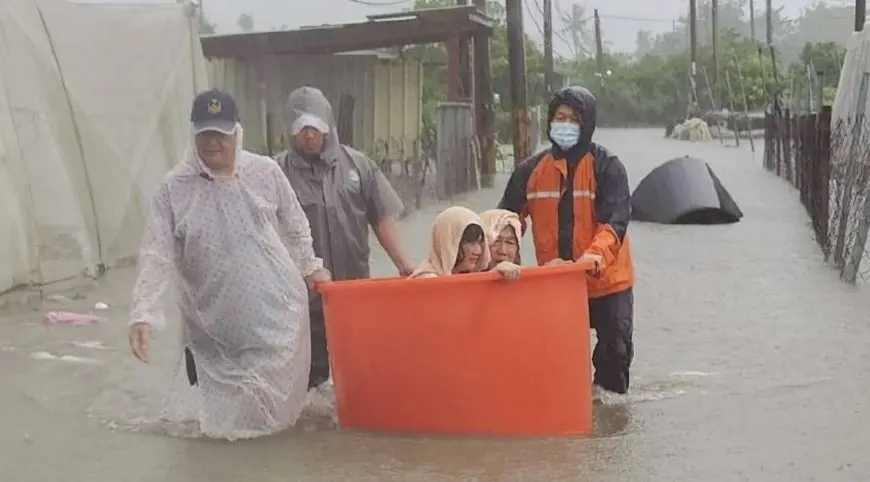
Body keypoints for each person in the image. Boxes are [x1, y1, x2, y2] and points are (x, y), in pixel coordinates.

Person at [127, 89, 331, 440]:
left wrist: (311, 266)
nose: (212, 143)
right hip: (212, 327)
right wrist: (143, 312)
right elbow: (157, 253)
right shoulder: (174, 189)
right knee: (222, 429)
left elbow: (295, 223)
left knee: (275, 425)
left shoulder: (264, 172)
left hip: (275, 320)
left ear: (236, 132)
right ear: (194, 135)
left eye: (220, 134)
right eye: (204, 134)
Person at [497, 86, 635, 395]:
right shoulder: (529, 171)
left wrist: (594, 257)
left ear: (587, 124)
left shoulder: (608, 167)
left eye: (574, 119)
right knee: (554, 359)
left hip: (607, 281)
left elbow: (615, 222)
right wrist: (498, 257)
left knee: (615, 356)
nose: (566, 125)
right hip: (555, 282)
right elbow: (505, 224)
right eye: (560, 118)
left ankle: (607, 423)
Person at [275, 86, 414, 390]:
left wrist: (404, 264)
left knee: (358, 376)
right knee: (307, 385)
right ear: (290, 130)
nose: (309, 135)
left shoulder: (359, 166)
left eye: (315, 127)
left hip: (353, 294)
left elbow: (382, 218)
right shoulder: (274, 173)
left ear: (327, 125)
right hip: (300, 302)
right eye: (301, 128)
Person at [410, 206, 519, 280]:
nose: (478, 251)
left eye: (480, 242)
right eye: (470, 242)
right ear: (449, 242)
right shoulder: (426, 279)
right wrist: (490, 279)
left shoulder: (466, 274)